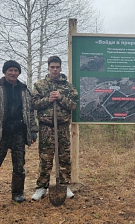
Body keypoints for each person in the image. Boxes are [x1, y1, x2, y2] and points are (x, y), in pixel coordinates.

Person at [0, 60, 38, 211]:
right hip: (0, 134)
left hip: (18, 133)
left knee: (19, 166)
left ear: (19, 72)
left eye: (15, 70)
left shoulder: (24, 90)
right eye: (10, 70)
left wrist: (33, 130)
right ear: (5, 72)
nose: (13, 73)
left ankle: (17, 194)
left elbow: (30, 112)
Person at [31, 56, 78, 201]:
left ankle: (64, 185)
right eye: (52, 67)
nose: (55, 70)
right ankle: (41, 187)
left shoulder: (68, 87)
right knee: (45, 158)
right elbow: (33, 103)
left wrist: (61, 97)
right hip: (46, 127)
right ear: (48, 68)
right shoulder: (40, 85)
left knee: (64, 157)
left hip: (62, 126)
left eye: (57, 67)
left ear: (61, 68)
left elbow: (73, 104)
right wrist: (48, 100)